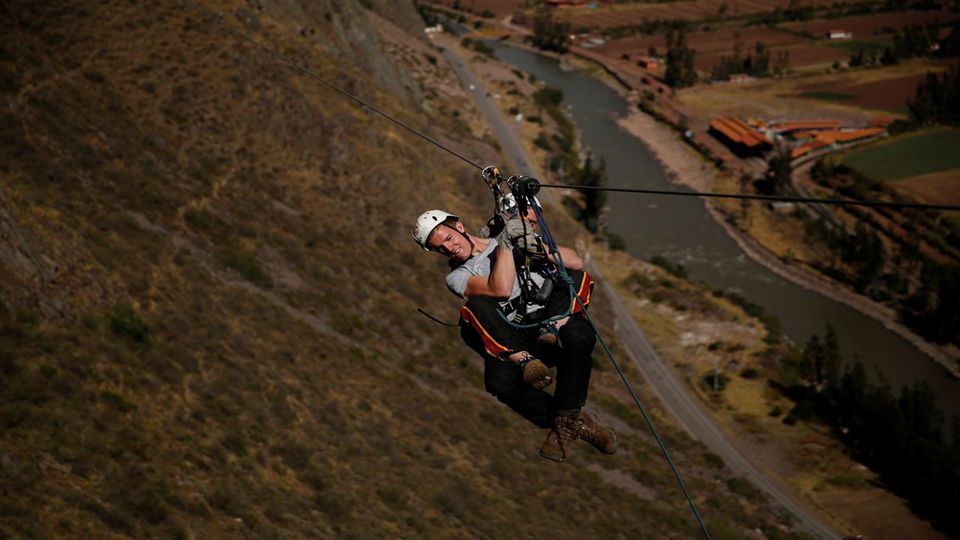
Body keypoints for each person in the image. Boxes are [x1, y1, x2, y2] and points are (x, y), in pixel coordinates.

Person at [413, 206, 618, 462]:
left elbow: (576, 263)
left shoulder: (508, 237)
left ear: (460, 227)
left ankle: (566, 420)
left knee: (578, 332)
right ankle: (541, 383)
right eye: (440, 248)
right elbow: (500, 289)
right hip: (516, 337)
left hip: (551, 321)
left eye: (448, 238)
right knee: (497, 376)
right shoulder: (458, 277)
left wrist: (535, 246)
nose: (448, 248)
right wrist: (506, 244)